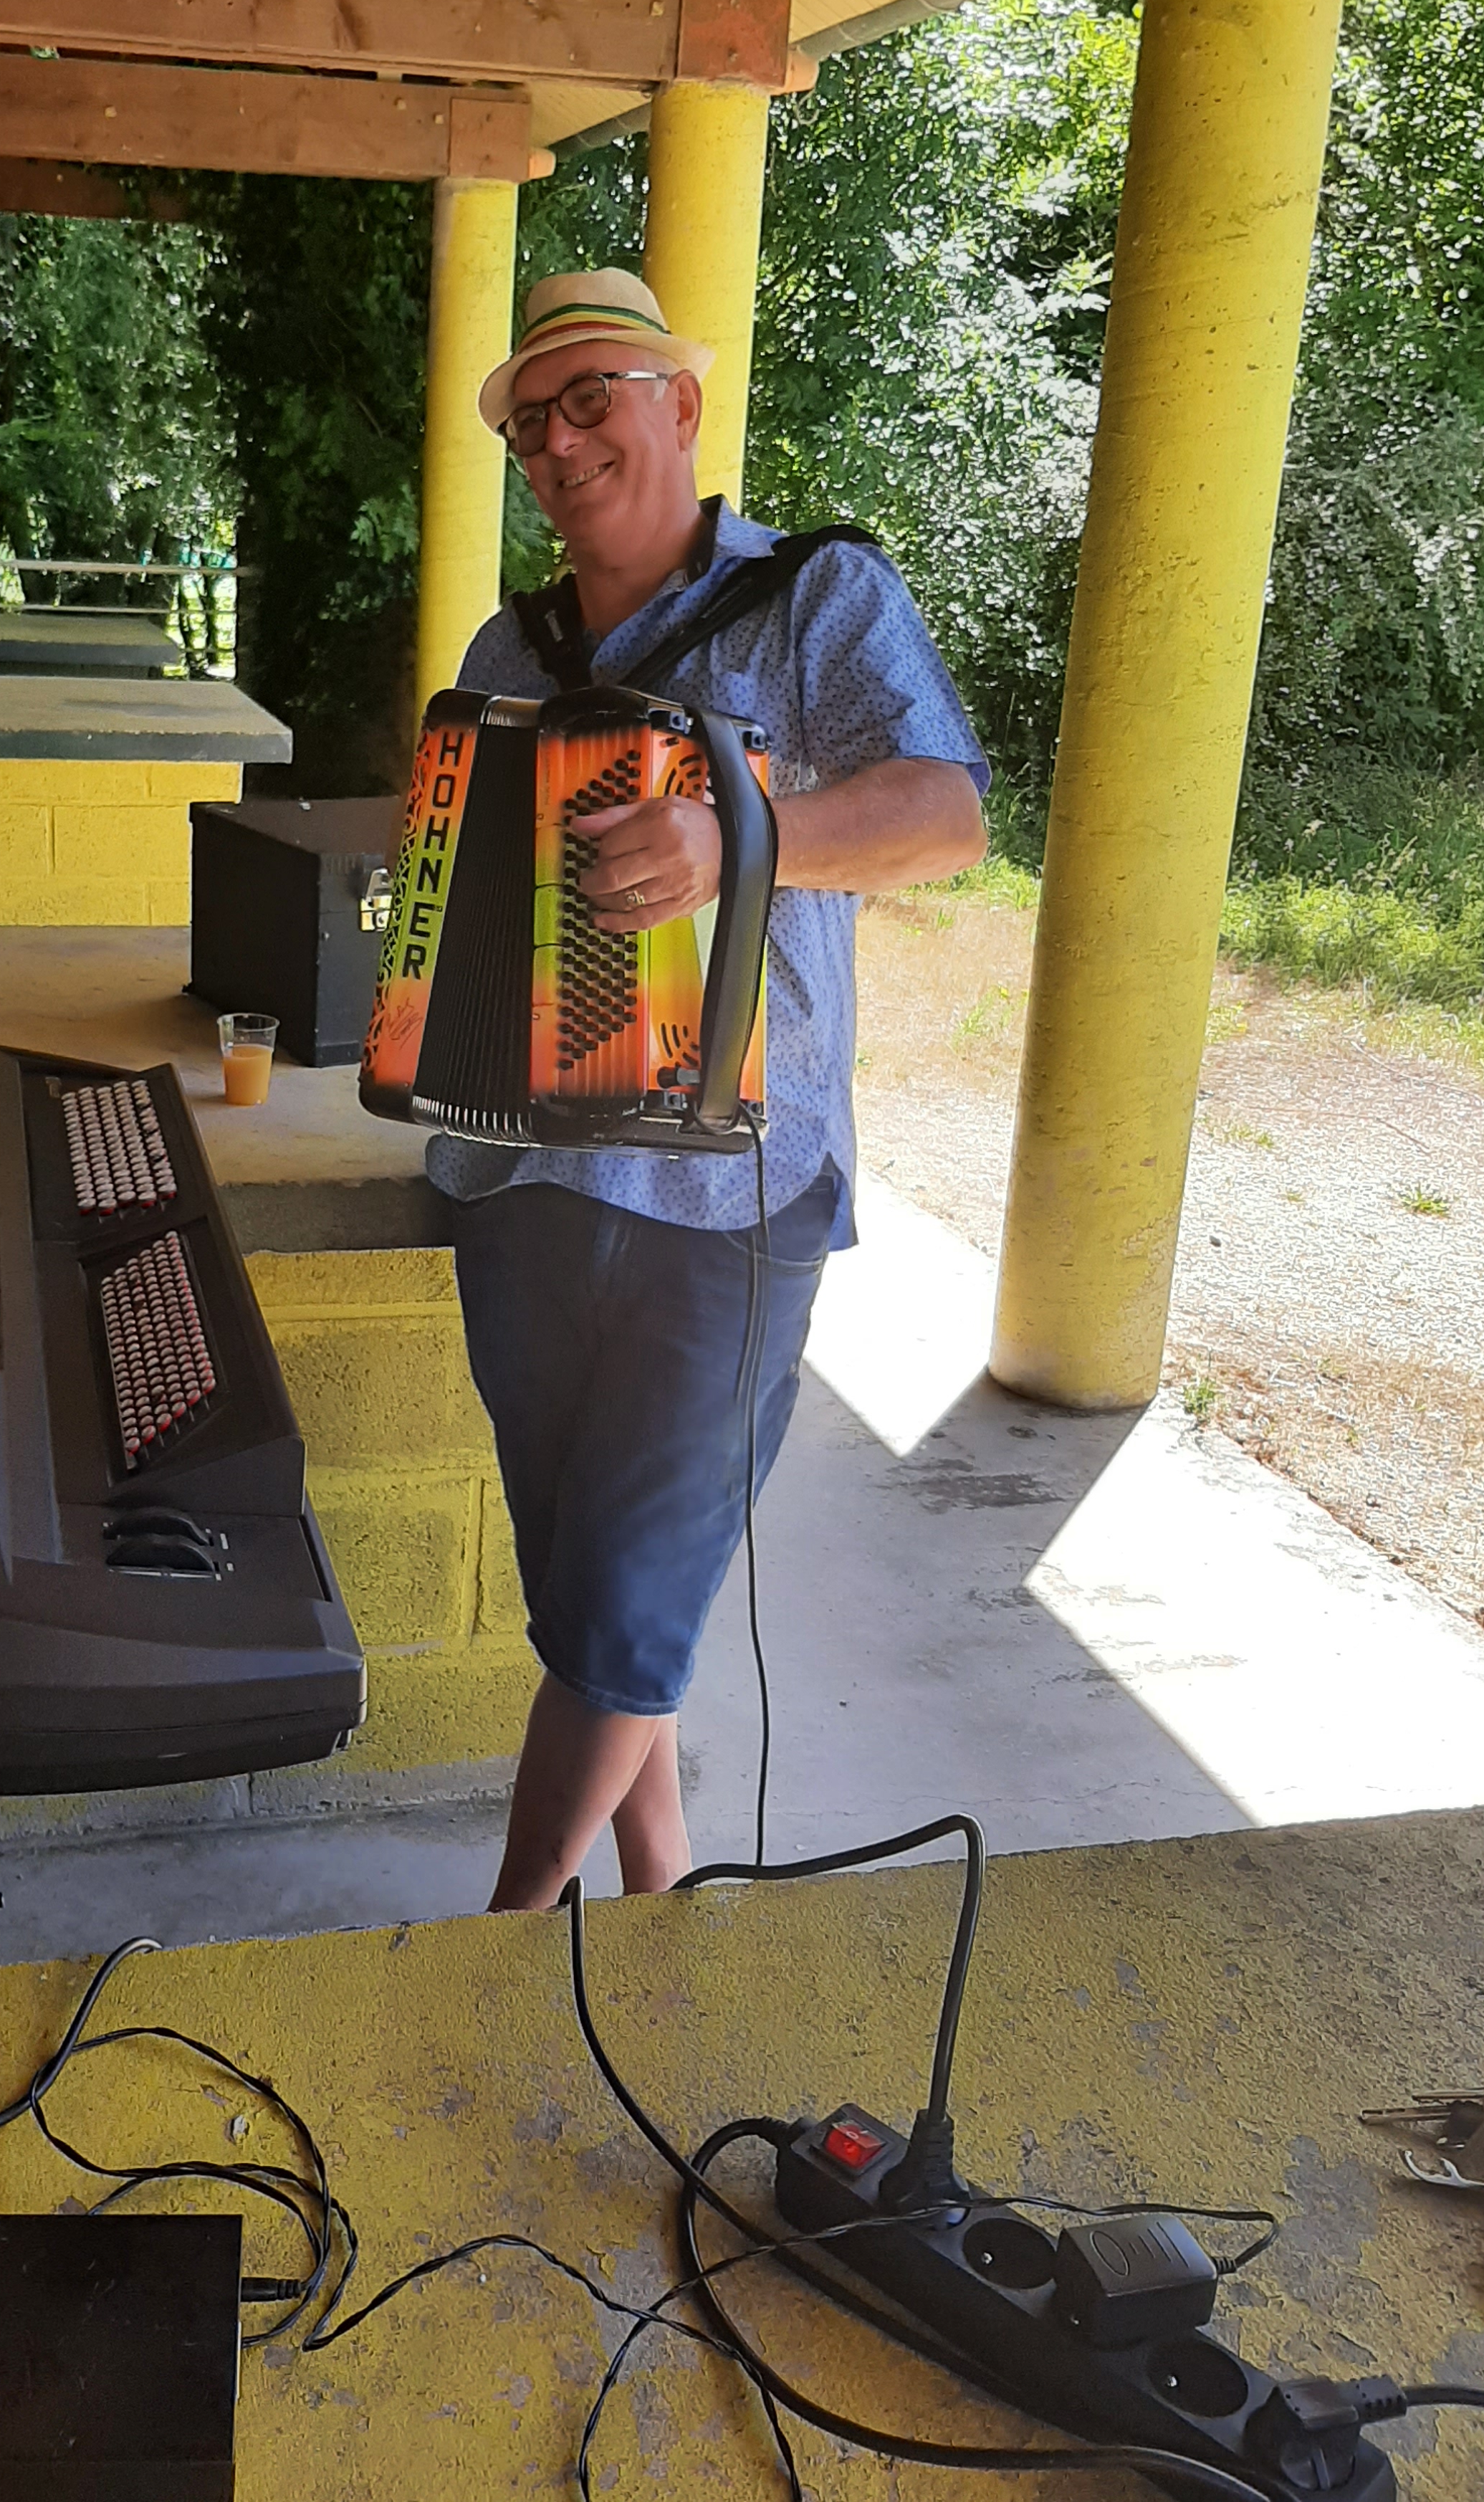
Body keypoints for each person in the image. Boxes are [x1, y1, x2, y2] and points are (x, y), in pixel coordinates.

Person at [426, 269, 990, 1912]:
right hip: (520, 1181)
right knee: (595, 1593)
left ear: (681, 403)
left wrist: (739, 832)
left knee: (627, 1602)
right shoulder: (503, 646)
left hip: (728, 1196)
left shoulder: (818, 598)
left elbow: (946, 821)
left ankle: (510, 1931)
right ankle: (665, 1891)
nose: (560, 438)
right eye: (534, 420)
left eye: (594, 395)